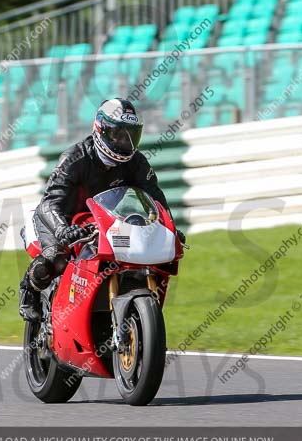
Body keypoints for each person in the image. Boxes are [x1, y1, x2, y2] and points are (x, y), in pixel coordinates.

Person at [19, 98, 184, 322]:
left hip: (101, 222)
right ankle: (28, 291)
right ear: (101, 129)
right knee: (56, 257)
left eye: (130, 135)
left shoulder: (136, 162)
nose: (124, 141)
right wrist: (62, 230)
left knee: (142, 255)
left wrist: (168, 227)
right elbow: (51, 201)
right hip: (60, 219)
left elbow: (155, 198)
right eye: (118, 134)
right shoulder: (74, 158)